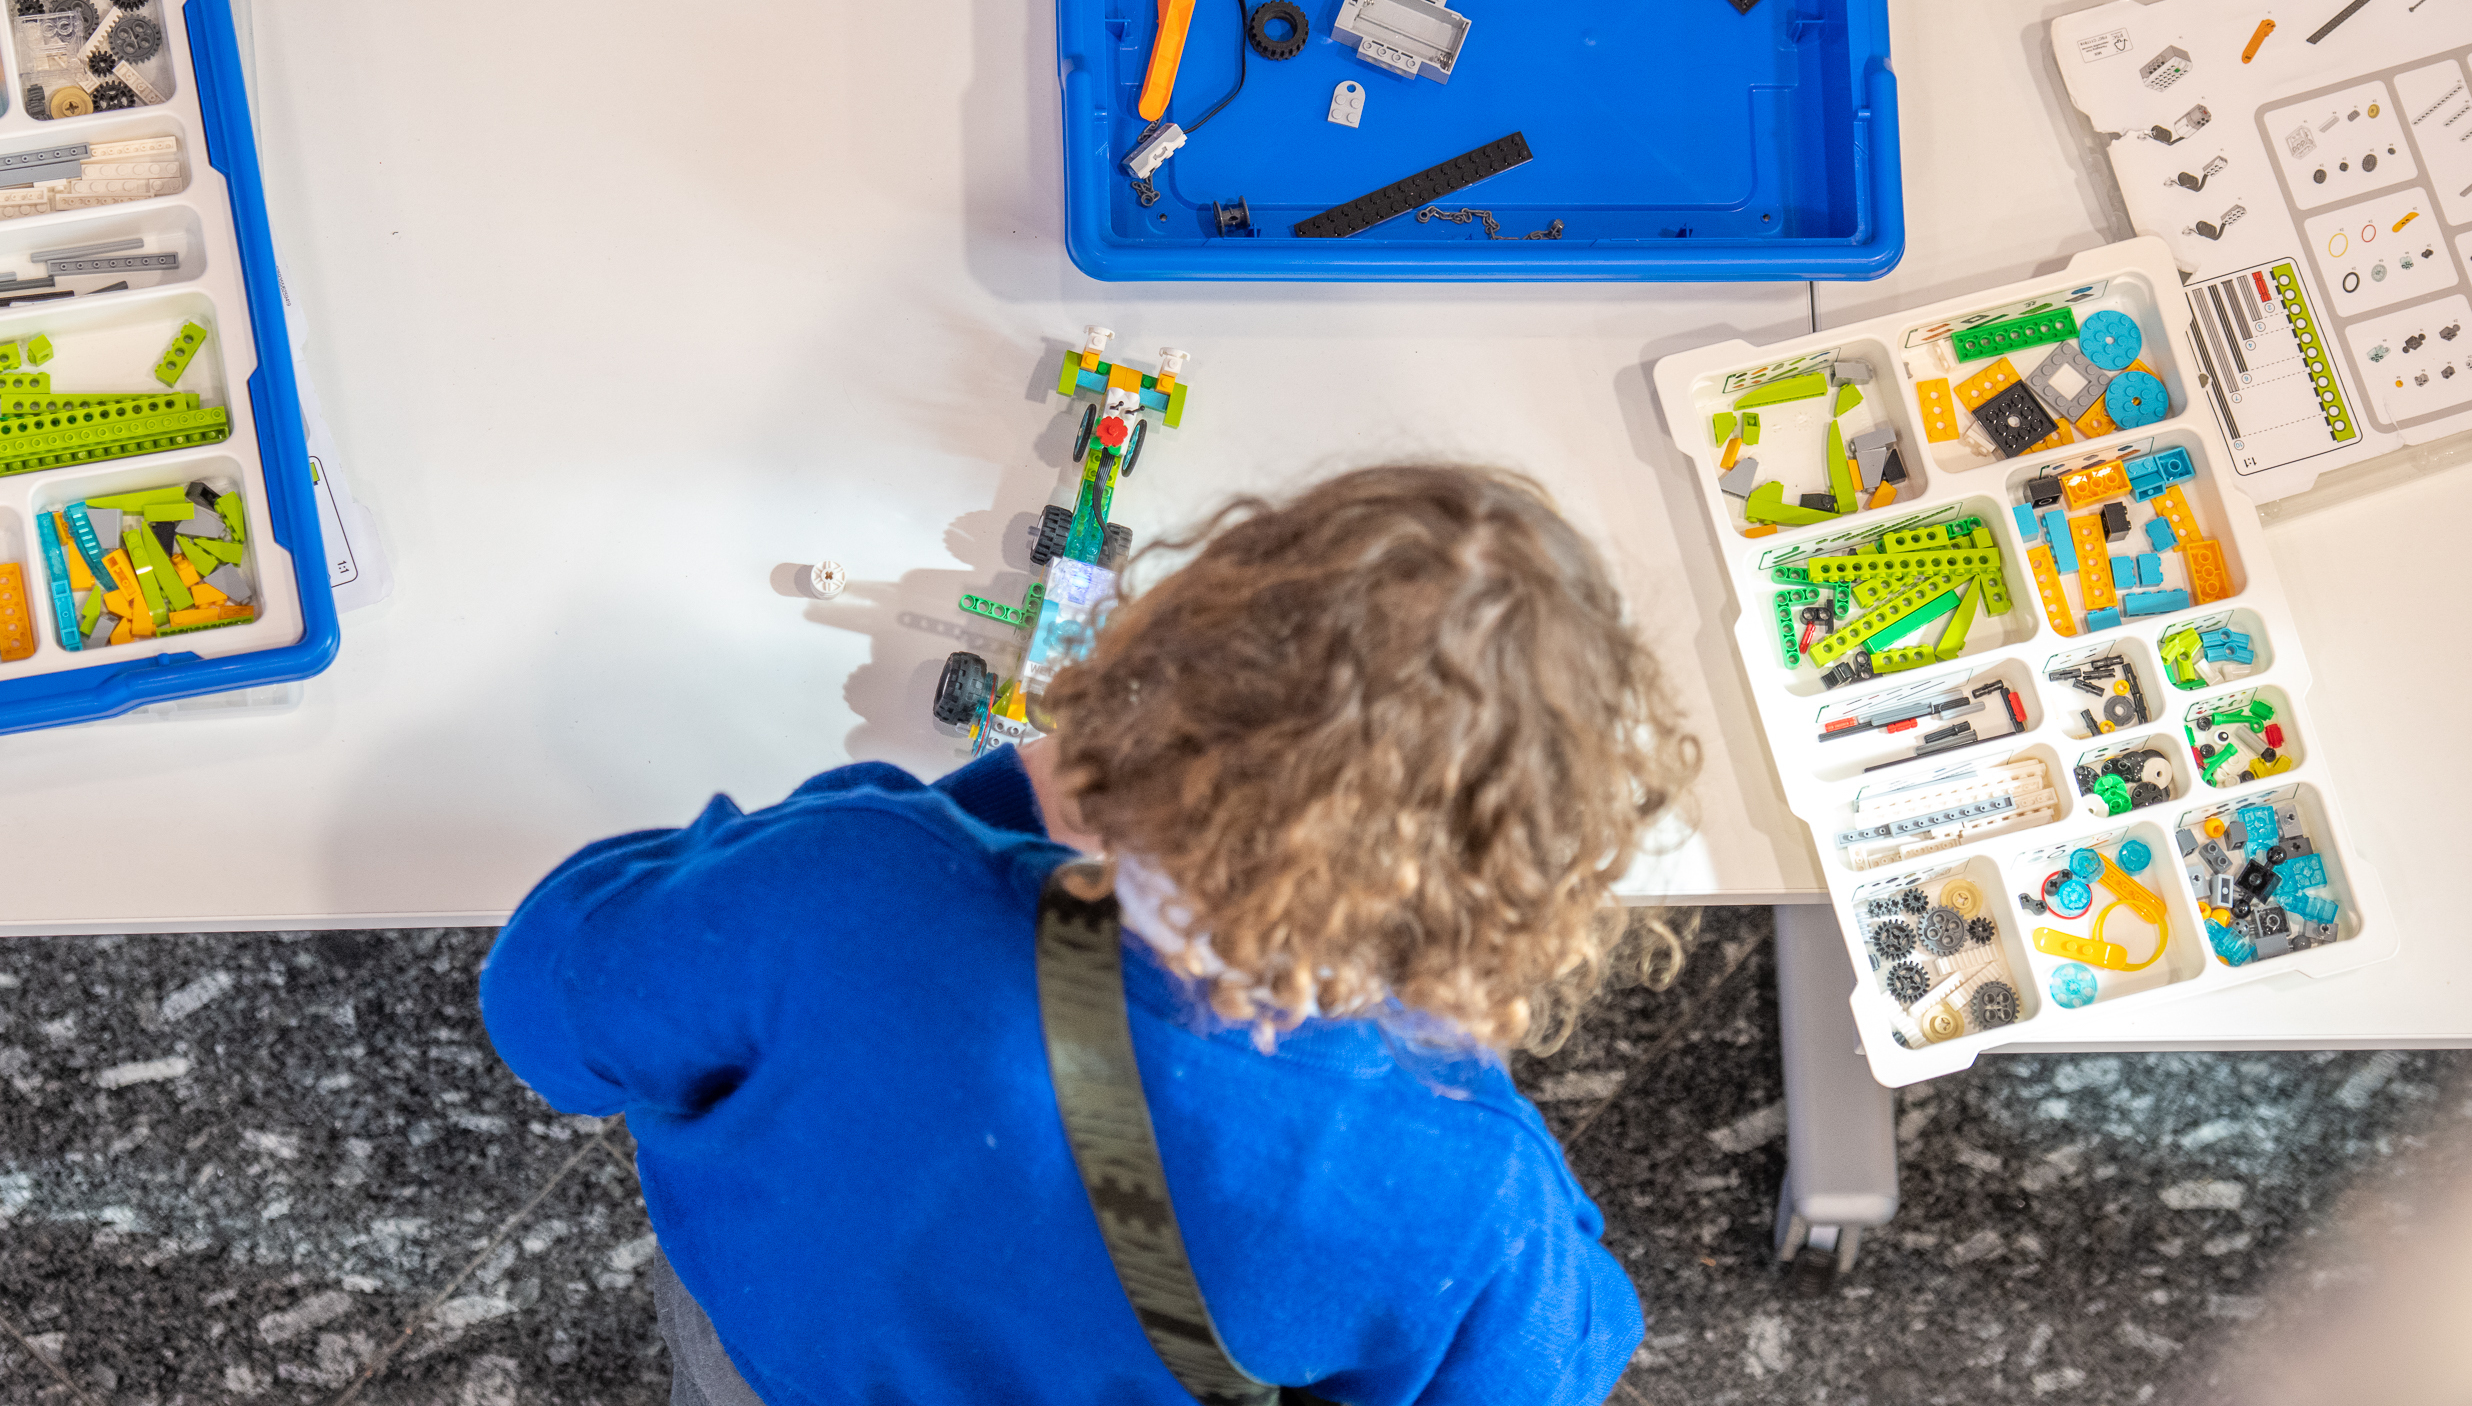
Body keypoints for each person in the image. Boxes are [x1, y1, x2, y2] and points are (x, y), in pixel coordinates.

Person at [481, 463, 1700, 1405]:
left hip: (773, 1349)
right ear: (1513, 900)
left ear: (1159, 673)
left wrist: (971, 817)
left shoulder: (852, 884)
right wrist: (1450, 1056)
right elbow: (1551, 1360)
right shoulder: (1464, 1181)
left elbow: (545, 1005)